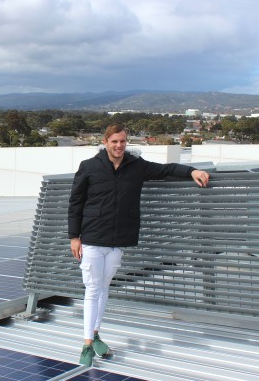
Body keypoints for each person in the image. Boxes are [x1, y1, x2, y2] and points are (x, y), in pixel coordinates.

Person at [67, 123, 209, 366]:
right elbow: (76, 202)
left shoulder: (136, 166)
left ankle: (96, 334)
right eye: (114, 141)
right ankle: (87, 344)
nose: (119, 146)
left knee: (103, 289)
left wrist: (192, 171)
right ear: (105, 142)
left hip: (118, 240)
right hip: (91, 238)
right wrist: (74, 237)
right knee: (92, 289)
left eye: (122, 141)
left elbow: (167, 169)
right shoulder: (89, 167)